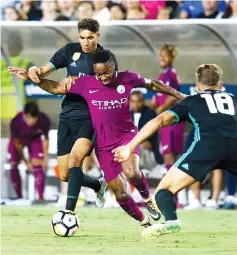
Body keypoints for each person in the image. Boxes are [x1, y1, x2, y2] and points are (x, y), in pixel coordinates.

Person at [9, 50, 185, 229]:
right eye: (98, 74)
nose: (102, 78)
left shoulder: (128, 78)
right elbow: (55, 88)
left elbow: (153, 85)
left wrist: (178, 95)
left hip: (126, 136)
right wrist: (32, 78)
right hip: (103, 144)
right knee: (120, 194)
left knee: (131, 172)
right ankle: (145, 224)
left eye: (106, 73)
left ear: (113, 66)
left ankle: (148, 198)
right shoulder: (86, 83)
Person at [113, 64, 237, 238]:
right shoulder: (234, 99)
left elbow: (160, 120)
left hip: (206, 148)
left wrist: (130, 146)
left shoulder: (193, 100)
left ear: (198, 85)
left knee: (164, 191)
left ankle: (171, 220)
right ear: (221, 84)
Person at [13, 19, 110, 213]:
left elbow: (106, 88)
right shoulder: (68, 51)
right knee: (66, 174)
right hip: (67, 117)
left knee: (76, 159)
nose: (86, 42)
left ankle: (68, 213)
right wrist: (33, 73)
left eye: (90, 38)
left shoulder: (105, 58)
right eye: (82, 38)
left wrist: (78, 82)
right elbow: (43, 72)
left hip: (91, 116)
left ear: (97, 36)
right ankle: (98, 186)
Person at [150, 45, 184, 205]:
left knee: (170, 159)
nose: (161, 58)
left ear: (171, 58)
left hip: (171, 121)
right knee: (168, 160)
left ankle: (174, 199)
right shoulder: (162, 75)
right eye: (160, 55)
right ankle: (172, 197)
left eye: (165, 56)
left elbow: (172, 97)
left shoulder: (170, 74)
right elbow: (157, 99)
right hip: (166, 122)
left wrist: (160, 112)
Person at [8, 102, 50, 201]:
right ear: (24, 115)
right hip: (19, 140)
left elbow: (46, 139)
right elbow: (17, 144)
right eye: (29, 118)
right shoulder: (16, 121)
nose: (31, 121)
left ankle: (40, 197)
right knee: (13, 165)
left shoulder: (44, 120)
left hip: (34, 139)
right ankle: (19, 197)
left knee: (38, 165)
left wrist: (45, 158)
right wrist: (26, 162)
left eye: (34, 119)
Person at [130, 91, 163, 167]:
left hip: (149, 148)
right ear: (130, 102)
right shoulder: (126, 115)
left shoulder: (150, 114)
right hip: (131, 145)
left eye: (138, 101)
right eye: (133, 102)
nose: (136, 104)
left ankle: (144, 168)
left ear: (143, 101)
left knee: (142, 145)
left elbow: (150, 134)